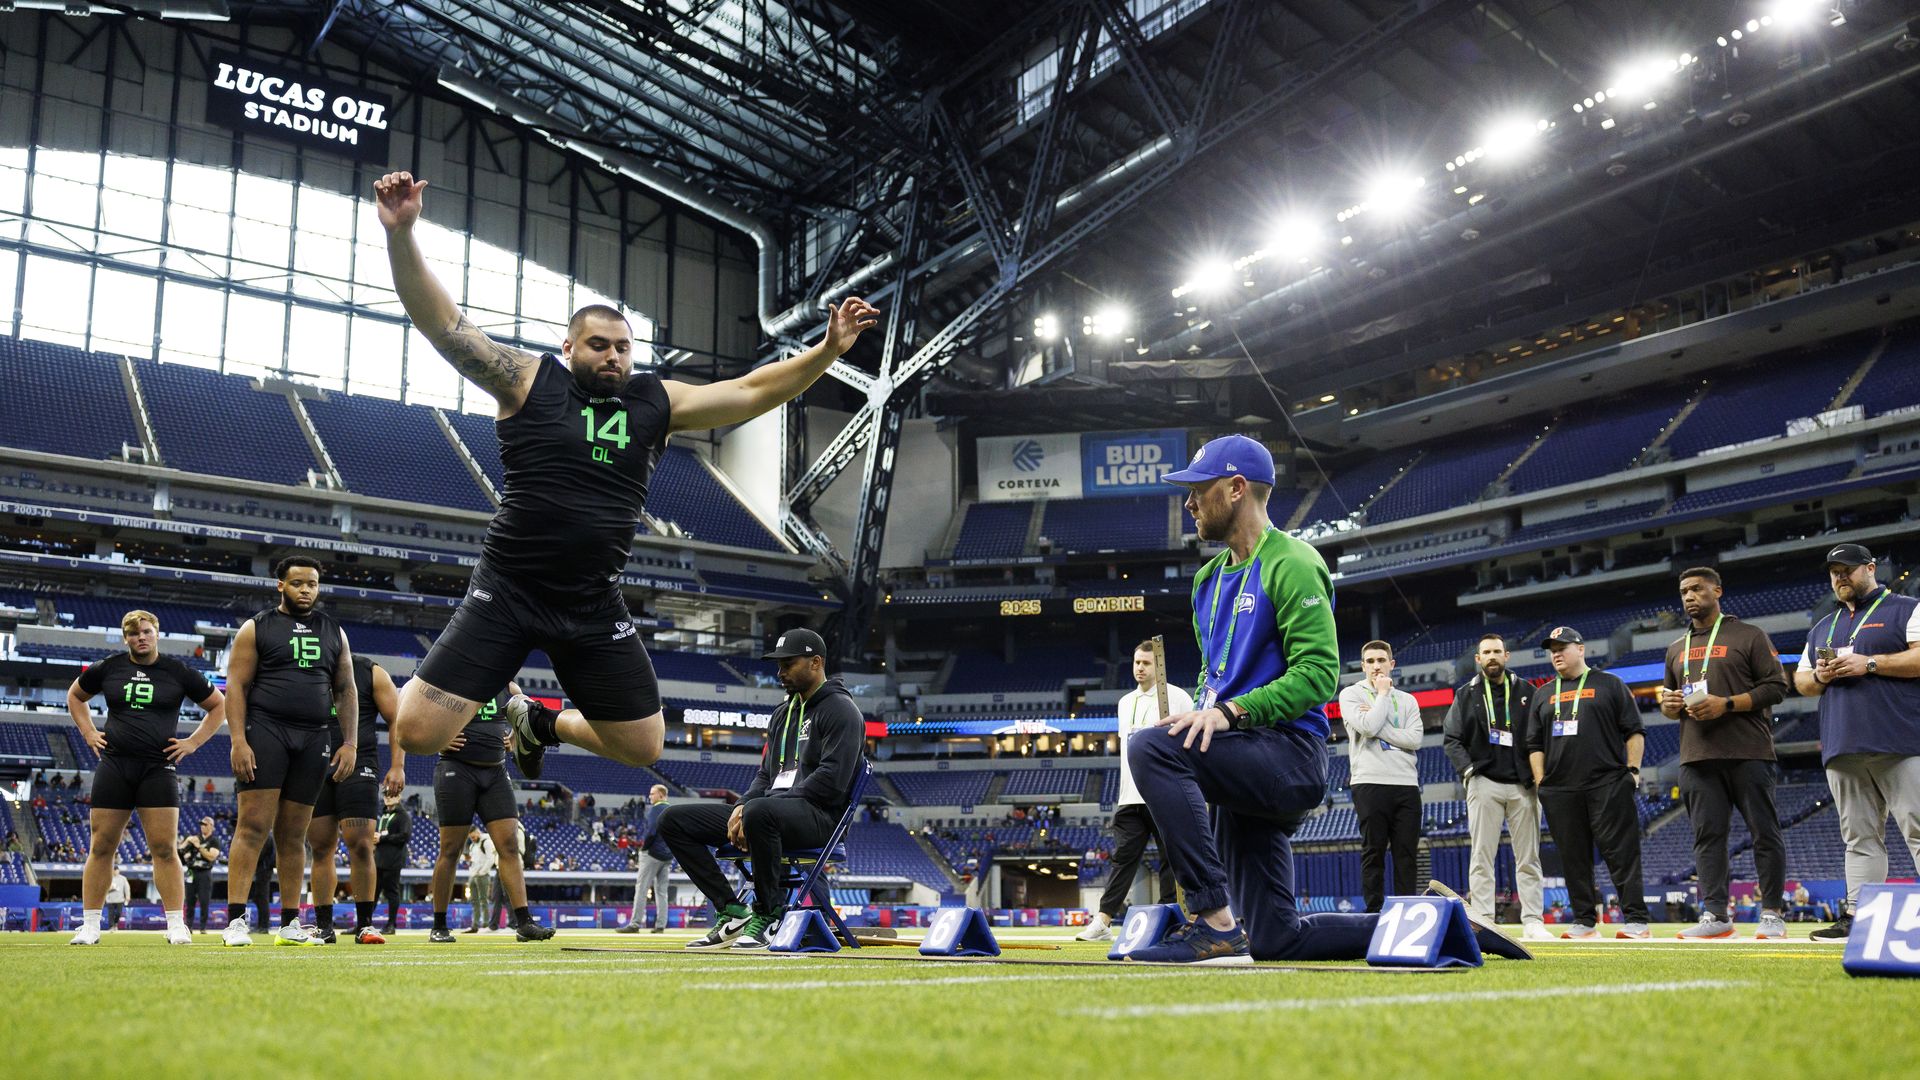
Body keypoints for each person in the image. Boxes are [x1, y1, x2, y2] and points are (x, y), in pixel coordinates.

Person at [371, 171, 879, 787]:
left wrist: (826, 352)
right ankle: (502, 705)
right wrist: (402, 234)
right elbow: (445, 326)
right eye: (598, 345)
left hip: (590, 599)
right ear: (569, 348)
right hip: (508, 588)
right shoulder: (528, 380)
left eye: (623, 348)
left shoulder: (656, 401)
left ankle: (540, 723)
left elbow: (748, 391)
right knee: (416, 733)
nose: (612, 357)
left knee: (642, 745)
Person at [1129, 435, 1525, 964]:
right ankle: (1444, 922)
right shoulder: (1206, 581)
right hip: (1239, 757)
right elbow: (1214, 675)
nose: (1189, 502)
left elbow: (1318, 675)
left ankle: (1213, 921)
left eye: (1199, 490)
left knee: (1148, 747)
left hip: (1286, 754)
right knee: (1276, 939)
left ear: (1237, 488)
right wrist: (1205, 709)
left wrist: (1228, 713)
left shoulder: (1293, 562)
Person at [661, 629, 863, 950]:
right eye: (778, 665)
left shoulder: (841, 710)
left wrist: (763, 806)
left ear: (816, 662)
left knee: (760, 811)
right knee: (673, 820)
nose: (779, 673)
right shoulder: (781, 714)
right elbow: (764, 777)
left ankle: (769, 914)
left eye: (788, 664)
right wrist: (741, 806)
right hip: (770, 814)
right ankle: (731, 910)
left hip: (821, 820)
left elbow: (832, 781)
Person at [220, 555, 358, 948]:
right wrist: (238, 740)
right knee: (252, 827)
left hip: (314, 737)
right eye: (298, 583)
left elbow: (345, 690)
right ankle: (235, 922)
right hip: (266, 732)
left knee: (295, 836)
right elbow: (236, 685)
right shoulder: (257, 627)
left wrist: (350, 742)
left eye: (312, 584)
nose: (306, 590)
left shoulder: (335, 631)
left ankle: (290, 925)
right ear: (280, 585)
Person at [65, 609, 226, 946]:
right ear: (126, 638)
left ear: (157, 634)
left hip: (158, 767)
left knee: (165, 848)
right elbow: (75, 697)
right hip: (115, 765)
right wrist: (89, 732)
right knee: (102, 846)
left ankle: (175, 924)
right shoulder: (109, 667)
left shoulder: (177, 671)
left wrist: (193, 742)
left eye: (146, 631)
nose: (141, 637)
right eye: (134, 633)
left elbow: (218, 705)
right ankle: (90, 925)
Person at [1792, 544, 1920, 941]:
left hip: (1901, 740)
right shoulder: (1822, 627)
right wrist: (1824, 676)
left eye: (1848, 569)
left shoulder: (1906, 608)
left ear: (1870, 568)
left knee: (1918, 829)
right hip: (1842, 744)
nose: (1841, 577)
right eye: (1834, 571)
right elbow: (1802, 681)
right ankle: (1859, 919)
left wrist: (1870, 662)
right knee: (1859, 839)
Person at [1659, 566, 1792, 940]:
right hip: (1697, 756)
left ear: (1717, 591)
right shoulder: (1675, 649)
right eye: (1684, 591)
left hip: (1748, 751)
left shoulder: (1748, 635)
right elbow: (1670, 703)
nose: (1689, 596)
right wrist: (1670, 706)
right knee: (1707, 838)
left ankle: (1772, 913)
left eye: (1697, 589)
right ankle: (1716, 914)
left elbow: (1776, 687)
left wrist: (1727, 704)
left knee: (1764, 833)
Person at [1525, 627, 1651, 939]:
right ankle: (1584, 921)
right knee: (1572, 857)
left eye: (1562, 647)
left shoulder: (1610, 684)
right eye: (1552, 648)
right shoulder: (1543, 694)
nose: (1556, 653)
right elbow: (1534, 745)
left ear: (1581, 649)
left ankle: (1636, 920)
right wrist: (1542, 783)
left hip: (1607, 782)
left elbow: (1634, 730)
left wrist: (1632, 770)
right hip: (1560, 789)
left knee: (1621, 853)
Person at [1077, 640, 1192, 941]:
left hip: (1165, 793)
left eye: (1146, 663)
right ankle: (1102, 920)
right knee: (1123, 857)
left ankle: (1170, 918)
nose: (1139, 668)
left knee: (1171, 859)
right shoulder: (1124, 702)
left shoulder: (1178, 698)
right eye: (1136, 663)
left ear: (1159, 666)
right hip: (1129, 796)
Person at [1442, 633, 1549, 940]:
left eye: (1496, 651)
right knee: (1481, 856)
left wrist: (1537, 775)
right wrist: (1470, 771)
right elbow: (1452, 739)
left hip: (1523, 785)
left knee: (1529, 857)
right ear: (1478, 659)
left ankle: (1533, 921)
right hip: (1484, 782)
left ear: (1507, 656)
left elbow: (1540, 736)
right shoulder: (1466, 694)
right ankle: (1484, 920)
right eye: (1486, 652)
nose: (1491, 656)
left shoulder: (1528, 691)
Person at [428, 683, 553, 943]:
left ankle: (524, 922)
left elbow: (527, 715)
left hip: (495, 771)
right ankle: (439, 924)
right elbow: (413, 709)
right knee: (450, 850)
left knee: (509, 846)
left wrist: (516, 738)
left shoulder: (506, 682)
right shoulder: (450, 673)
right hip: (456, 768)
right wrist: (437, 738)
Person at [306, 654, 405, 944]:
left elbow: (395, 718)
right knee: (321, 846)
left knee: (361, 844)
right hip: (315, 765)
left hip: (359, 763)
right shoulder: (310, 670)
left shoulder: (371, 672)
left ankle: (365, 924)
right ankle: (324, 926)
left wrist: (397, 765)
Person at [1338, 640, 1424, 913]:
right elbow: (1368, 725)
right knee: (1373, 851)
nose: (1377, 666)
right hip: (1369, 781)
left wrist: (1377, 727)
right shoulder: (1351, 694)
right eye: (1371, 661)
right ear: (1363, 666)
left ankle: (1406, 912)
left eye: (1381, 660)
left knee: (1406, 854)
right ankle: (1374, 914)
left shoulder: (1408, 700)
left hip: (1406, 783)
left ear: (1391, 664)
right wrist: (1382, 696)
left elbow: (1415, 739)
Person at [616, 784, 675, 933]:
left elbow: (651, 830)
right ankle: (661, 925)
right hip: (668, 855)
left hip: (653, 854)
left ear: (661, 795)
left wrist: (644, 848)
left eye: (652, 794)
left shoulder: (656, 809)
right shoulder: (672, 810)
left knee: (641, 888)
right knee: (662, 892)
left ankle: (635, 924)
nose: (650, 797)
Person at [373, 791, 411, 934]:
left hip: (393, 860)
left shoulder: (403, 815)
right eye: (386, 795)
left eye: (392, 795)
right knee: (373, 892)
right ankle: (365, 924)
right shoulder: (383, 814)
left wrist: (382, 838)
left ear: (399, 797)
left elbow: (405, 836)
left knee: (392, 892)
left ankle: (391, 925)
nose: (388, 797)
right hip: (379, 859)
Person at [179, 816, 222, 933]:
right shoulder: (194, 838)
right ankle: (189, 926)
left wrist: (198, 847)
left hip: (205, 872)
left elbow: (211, 856)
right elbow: (180, 852)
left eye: (205, 824)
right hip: (191, 871)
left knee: (204, 901)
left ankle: (203, 927)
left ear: (211, 826)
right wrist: (187, 842)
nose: (202, 826)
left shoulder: (214, 841)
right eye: (201, 824)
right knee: (189, 900)